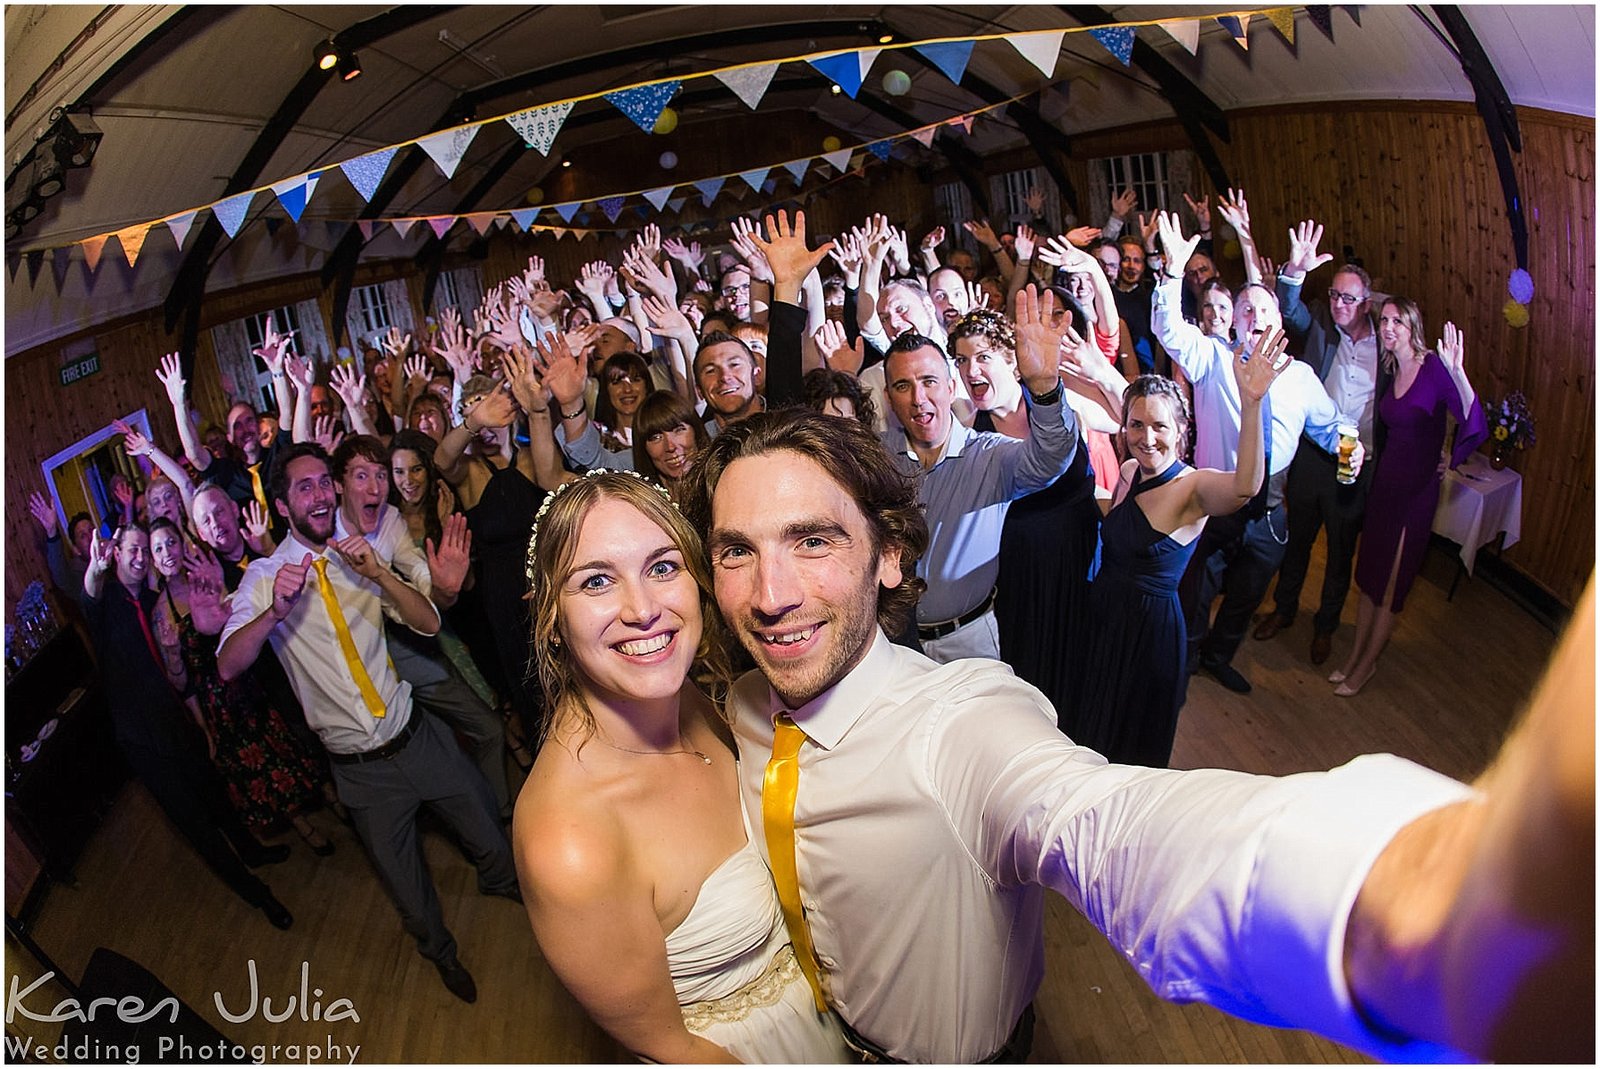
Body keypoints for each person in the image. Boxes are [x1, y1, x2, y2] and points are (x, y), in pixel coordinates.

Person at [681, 406, 1590, 1065]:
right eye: (736, 550)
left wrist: (1402, 898)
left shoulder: (959, 726)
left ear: (887, 557)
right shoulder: (748, 709)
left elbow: (1107, 819)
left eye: (811, 541)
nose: (770, 593)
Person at [512, 471, 851, 1063]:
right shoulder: (569, 843)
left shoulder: (685, 697)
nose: (644, 610)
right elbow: (670, 1048)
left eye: (663, 567)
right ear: (550, 619)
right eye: (596, 581)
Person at [218, 442, 521, 1002]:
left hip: (415, 735)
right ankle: (442, 955)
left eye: (322, 484)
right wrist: (273, 614)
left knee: (484, 823)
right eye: (303, 487)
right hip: (360, 772)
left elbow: (428, 624)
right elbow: (229, 663)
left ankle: (502, 884)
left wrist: (380, 573)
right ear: (283, 506)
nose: (320, 494)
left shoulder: (357, 558)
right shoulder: (264, 577)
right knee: (407, 887)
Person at [1077, 339, 1287, 768]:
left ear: (1180, 431)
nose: (1146, 438)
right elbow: (1115, 521)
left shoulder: (1193, 488)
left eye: (1159, 427)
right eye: (1136, 425)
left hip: (1149, 633)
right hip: (1104, 619)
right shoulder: (1130, 471)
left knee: (1131, 746)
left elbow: (1246, 486)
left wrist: (1252, 405)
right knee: (1093, 731)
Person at [83, 523, 295, 930]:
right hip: (144, 742)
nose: (140, 556)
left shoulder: (152, 600)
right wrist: (94, 568)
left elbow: (180, 667)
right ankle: (257, 894)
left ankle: (251, 851)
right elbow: (90, 590)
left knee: (217, 798)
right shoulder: (105, 599)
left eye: (145, 549)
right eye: (132, 549)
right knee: (197, 826)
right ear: (116, 554)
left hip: (178, 721)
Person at [880, 286, 1078, 663]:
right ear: (889, 397)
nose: (918, 398)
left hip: (968, 644)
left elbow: (1051, 457)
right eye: (903, 386)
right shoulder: (877, 457)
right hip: (893, 642)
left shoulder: (990, 457)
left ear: (951, 388)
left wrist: (1045, 390)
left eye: (929, 382)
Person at [945, 308, 1101, 731]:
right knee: (1025, 681)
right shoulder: (968, 428)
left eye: (981, 357)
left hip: (1074, 569)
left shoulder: (1058, 405)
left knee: (1074, 671)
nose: (969, 369)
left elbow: (1124, 418)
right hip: (1014, 578)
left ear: (1012, 360)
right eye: (960, 359)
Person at [147, 517, 335, 854]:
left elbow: (237, 621)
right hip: (216, 704)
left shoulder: (204, 578)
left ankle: (331, 795)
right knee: (260, 765)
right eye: (158, 548)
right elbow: (181, 683)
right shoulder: (162, 612)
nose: (167, 552)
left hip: (245, 679)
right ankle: (303, 827)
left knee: (288, 742)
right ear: (153, 559)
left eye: (171, 542)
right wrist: (174, 654)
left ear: (181, 542)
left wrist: (221, 603)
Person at [1331, 306, 1486, 696]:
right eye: (1383, 320)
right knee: (1368, 578)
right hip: (1385, 487)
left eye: (1397, 321)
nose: (1387, 327)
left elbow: (1471, 416)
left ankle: (1366, 666)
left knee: (1391, 586)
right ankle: (1354, 657)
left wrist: (1458, 373)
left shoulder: (1433, 367)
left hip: (1416, 494)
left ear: (1413, 326)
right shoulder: (1390, 370)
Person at [1256, 223, 1391, 667]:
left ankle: (1326, 628)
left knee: (1339, 552)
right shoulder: (1319, 325)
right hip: (1313, 456)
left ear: (1366, 304)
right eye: (1334, 295)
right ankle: (1285, 609)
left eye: (1347, 298)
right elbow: (1288, 306)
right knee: (1298, 542)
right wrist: (1294, 270)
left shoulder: (1386, 345)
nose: (1337, 304)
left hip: (1356, 461)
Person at [633, 390, 710, 501]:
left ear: (696, 431)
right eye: (656, 437)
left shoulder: (724, 485)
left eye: (678, 430)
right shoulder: (641, 505)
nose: (670, 447)